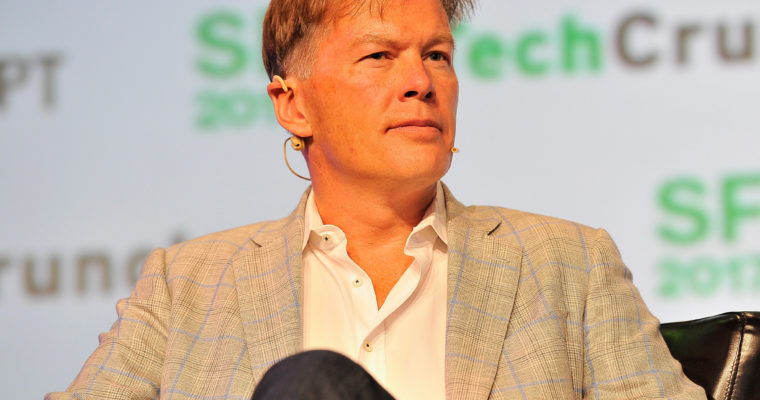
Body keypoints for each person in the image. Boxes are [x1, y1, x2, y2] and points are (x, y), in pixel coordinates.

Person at [47, 0, 707, 399]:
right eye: (380, 56)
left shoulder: (569, 263)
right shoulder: (188, 283)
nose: (421, 82)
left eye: (438, 55)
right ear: (293, 104)